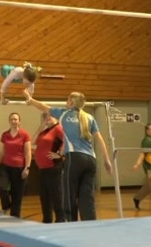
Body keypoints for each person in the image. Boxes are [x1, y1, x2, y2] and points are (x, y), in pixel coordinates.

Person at [23, 89, 112, 222]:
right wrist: (107, 160)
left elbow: (43, 107)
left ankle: (71, 224)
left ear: (71, 102)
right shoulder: (89, 117)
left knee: (69, 195)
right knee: (86, 197)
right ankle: (90, 224)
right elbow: (100, 140)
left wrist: (30, 100)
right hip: (91, 160)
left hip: (74, 159)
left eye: (67, 99)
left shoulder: (64, 114)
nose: (65, 101)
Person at [0, 112, 32, 218]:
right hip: (5, 166)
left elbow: (27, 152)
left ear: (19, 121)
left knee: (17, 194)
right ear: (9, 121)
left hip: (19, 167)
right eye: (12, 119)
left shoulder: (25, 134)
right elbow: (0, 152)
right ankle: (6, 205)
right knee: (0, 188)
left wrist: (27, 168)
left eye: (16, 119)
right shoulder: (5, 135)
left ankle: (15, 216)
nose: (13, 121)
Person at [34, 113, 65, 223]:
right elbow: (33, 141)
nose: (47, 119)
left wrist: (60, 155)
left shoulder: (58, 128)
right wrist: (42, 125)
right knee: (45, 196)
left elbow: (67, 141)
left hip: (53, 167)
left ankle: (60, 220)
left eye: (49, 117)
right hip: (43, 168)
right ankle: (47, 220)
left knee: (56, 195)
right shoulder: (45, 131)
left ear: (56, 118)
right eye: (45, 117)